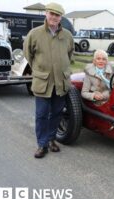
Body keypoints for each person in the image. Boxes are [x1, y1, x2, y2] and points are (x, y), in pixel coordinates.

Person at [23, 2, 74, 158]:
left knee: (57, 113)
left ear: (60, 18)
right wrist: (39, 70)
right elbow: (28, 54)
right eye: (51, 13)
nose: (53, 17)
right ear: (46, 14)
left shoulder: (67, 35)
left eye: (57, 15)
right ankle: (42, 144)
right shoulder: (35, 33)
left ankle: (51, 139)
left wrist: (61, 69)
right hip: (43, 82)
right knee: (41, 115)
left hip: (61, 81)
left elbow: (70, 54)